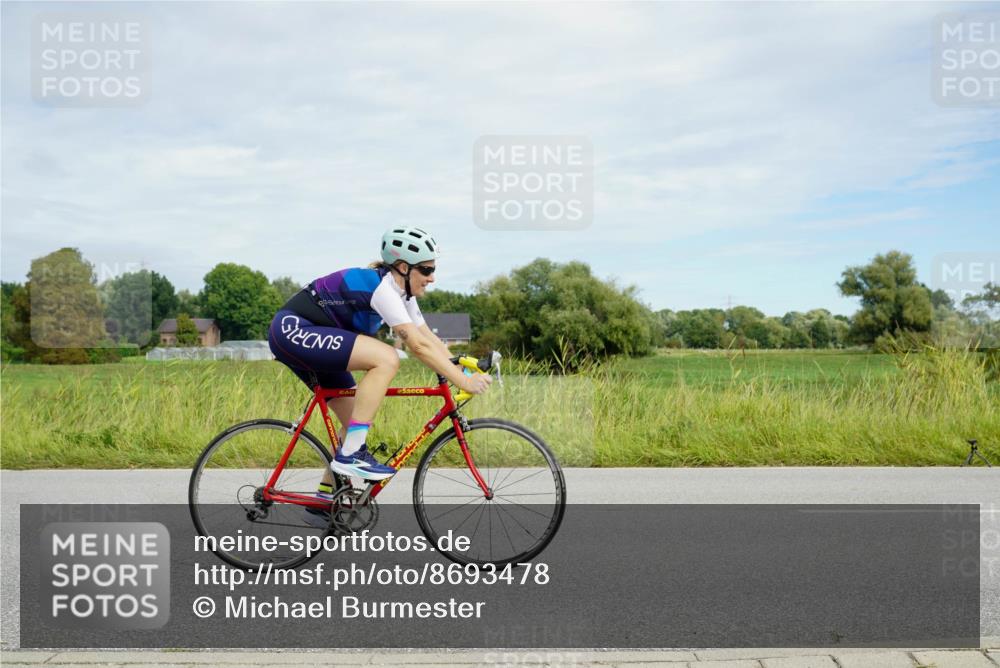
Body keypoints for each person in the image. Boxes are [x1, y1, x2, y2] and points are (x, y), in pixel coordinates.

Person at [267, 227, 492, 525]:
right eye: (426, 269)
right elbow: (417, 346)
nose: (432, 277)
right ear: (403, 267)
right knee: (386, 358)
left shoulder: (405, 295)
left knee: (355, 419)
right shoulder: (383, 289)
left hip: (320, 337)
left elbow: (427, 337)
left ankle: (324, 499)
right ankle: (352, 454)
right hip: (294, 331)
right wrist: (462, 381)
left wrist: (461, 364)